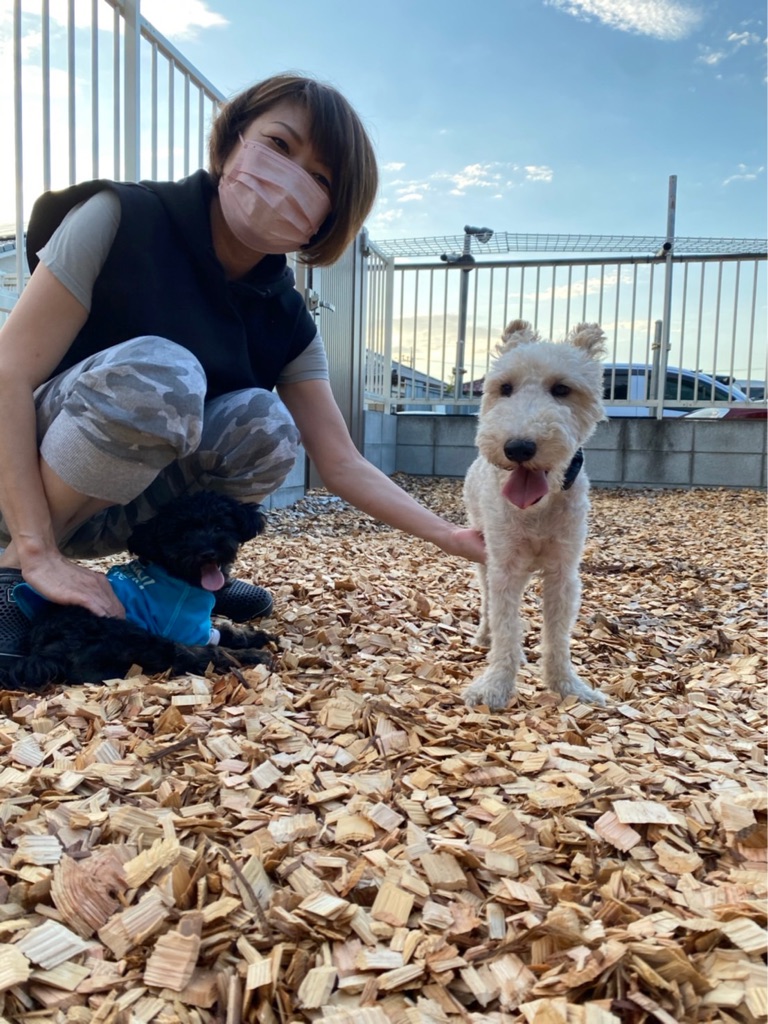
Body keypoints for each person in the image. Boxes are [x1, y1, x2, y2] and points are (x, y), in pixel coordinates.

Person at [0, 73, 485, 668]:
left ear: (329, 215)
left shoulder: (286, 315)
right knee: (163, 373)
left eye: (320, 178)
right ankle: (13, 573)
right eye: (279, 145)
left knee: (267, 423)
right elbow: (7, 374)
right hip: (16, 489)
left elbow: (341, 462)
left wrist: (450, 535)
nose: (290, 179)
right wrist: (35, 548)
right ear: (232, 140)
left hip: (113, 511)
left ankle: (180, 575)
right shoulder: (121, 218)